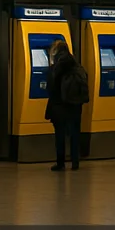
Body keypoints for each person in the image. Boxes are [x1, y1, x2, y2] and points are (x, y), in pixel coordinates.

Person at [46, 40, 83, 171]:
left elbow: (50, 86)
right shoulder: (76, 65)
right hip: (74, 104)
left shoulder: (55, 67)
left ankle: (60, 163)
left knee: (60, 135)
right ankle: (75, 162)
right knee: (74, 134)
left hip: (59, 105)